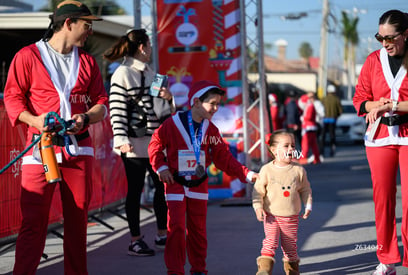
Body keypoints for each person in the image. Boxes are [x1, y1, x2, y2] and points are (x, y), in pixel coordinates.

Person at [3, 1, 108, 274]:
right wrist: (35, 120)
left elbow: (101, 102)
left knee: (77, 222)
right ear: (68, 23)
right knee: (33, 223)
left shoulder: (87, 61)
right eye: (87, 25)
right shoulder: (27, 56)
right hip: (41, 150)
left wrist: (85, 118)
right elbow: (13, 98)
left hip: (78, 150)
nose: (90, 31)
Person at [148, 80, 258, 275]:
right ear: (197, 102)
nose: (216, 108)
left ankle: (199, 270)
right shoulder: (172, 123)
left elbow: (225, 160)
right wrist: (161, 167)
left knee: (198, 231)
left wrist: (248, 174)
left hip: (198, 185)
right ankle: (175, 271)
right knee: (176, 228)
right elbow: (155, 144)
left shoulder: (212, 131)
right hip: (175, 184)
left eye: (218, 104)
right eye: (212, 103)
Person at [353, 9, 408, 275]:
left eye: (390, 37)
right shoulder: (372, 61)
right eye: (380, 37)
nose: (385, 42)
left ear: (406, 34)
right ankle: (387, 259)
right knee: (383, 198)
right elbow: (360, 99)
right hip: (379, 138)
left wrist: (396, 105)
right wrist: (371, 105)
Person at [104, 29, 174, 256]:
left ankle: (162, 234)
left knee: (162, 187)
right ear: (142, 47)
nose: (152, 49)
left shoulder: (153, 73)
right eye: (150, 45)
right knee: (135, 190)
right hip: (133, 142)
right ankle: (135, 240)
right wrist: (121, 139)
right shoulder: (122, 73)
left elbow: (162, 111)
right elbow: (116, 110)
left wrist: (169, 99)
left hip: (155, 141)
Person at [252, 130, 312, 275]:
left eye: (293, 145)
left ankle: (292, 269)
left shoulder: (298, 170)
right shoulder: (266, 170)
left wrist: (308, 205)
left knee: (290, 245)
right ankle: (264, 269)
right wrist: (258, 207)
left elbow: (305, 189)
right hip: (271, 215)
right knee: (270, 242)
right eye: (286, 146)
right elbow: (258, 191)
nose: (291, 149)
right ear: (274, 150)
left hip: (290, 216)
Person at [298, 92, 321, 165]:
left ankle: (303, 158)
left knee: (305, 144)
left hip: (308, 127)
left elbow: (309, 117)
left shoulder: (309, 106)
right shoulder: (310, 105)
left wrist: (302, 118)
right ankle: (317, 158)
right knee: (313, 144)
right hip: (311, 127)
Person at [321, 84, 342, 157]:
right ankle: (332, 150)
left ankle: (321, 151)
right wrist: (336, 116)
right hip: (333, 120)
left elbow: (320, 109)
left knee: (323, 136)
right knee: (332, 136)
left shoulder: (323, 99)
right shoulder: (336, 99)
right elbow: (340, 111)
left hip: (324, 120)